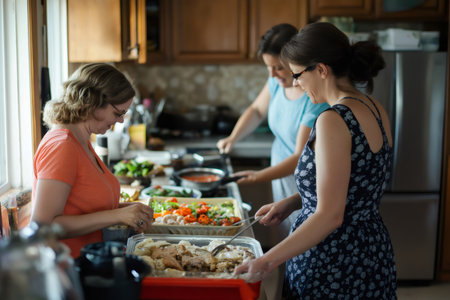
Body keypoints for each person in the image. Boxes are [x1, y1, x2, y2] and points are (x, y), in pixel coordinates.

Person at [234, 22, 397, 299]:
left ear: (321, 70)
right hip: (371, 251)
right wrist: (293, 202)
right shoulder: (375, 107)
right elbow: (353, 186)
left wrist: (266, 261)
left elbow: (330, 216)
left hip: (331, 259)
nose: (296, 82)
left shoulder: (332, 120)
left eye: (298, 74)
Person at [31, 63, 154, 258]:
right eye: (118, 113)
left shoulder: (81, 140)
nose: (121, 121)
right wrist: (117, 215)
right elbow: (43, 225)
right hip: (68, 267)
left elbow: (81, 209)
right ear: (93, 102)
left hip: (91, 260)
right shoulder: (62, 146)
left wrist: (129, 211)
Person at [216, 23, 329, 233]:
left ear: (295, 60)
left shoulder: (314, 98)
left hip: (302, 184)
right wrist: (233, 138)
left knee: (298, 239)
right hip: (280, 177)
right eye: (268, 68)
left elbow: (299, 156)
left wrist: (257, 176)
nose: (273, 74)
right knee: (283, 237)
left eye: (278, 67)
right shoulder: (276, 81)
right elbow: (257, 110)